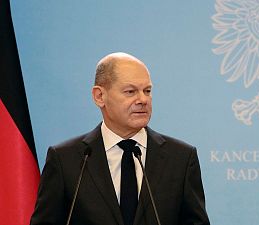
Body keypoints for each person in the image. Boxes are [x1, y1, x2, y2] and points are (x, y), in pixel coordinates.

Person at [30, 52, 210, 225]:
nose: (143, 100)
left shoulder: (181, 158)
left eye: (147, 91)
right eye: (130, 92)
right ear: (99, 96)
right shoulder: (65, 159)